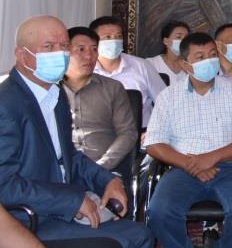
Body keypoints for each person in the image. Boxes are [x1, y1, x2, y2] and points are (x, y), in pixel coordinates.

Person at [0, 15, 153, 248]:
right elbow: (5, 186)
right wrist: (72, 200)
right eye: (48, 47)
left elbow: (68, 156)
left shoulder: (55, 94)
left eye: (64, 45)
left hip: (61, 208)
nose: (59, 53)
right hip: (26, 220)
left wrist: (107, 180)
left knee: (140, 234)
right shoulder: (7, 104)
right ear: (22, 55)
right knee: (120, 242)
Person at [145, 31, 232, 248]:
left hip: (230, 168)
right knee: (159, 212)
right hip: (182, 168)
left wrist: (211, 158)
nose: (209, 61)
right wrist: (191, 164)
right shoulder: (168, 97)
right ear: (185, 65)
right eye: (200, 57)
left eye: (212, 55)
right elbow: (154, 143)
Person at [61, 27, 136, 174]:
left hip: (105, 170)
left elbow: (128, 133)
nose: (89, 56)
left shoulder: (112, 88)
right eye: (81, 49)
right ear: (65, 52)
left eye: (94, 49)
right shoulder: (52, 90)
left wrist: (101, 167)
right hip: (63, 171)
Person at [90, 17, 165, 128]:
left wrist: (155, 131)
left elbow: (166, 102)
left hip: (142, 134)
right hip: (99, 134)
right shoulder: (86, 69)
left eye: (118, 36)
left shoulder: (142, 66)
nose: (114, 41)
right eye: (108, 37)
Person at [146, 21, 189, 85]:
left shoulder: (192, 66)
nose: (184, 41)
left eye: (186, 38)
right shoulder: (151, 64)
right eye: (178, 37)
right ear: (166, 41)